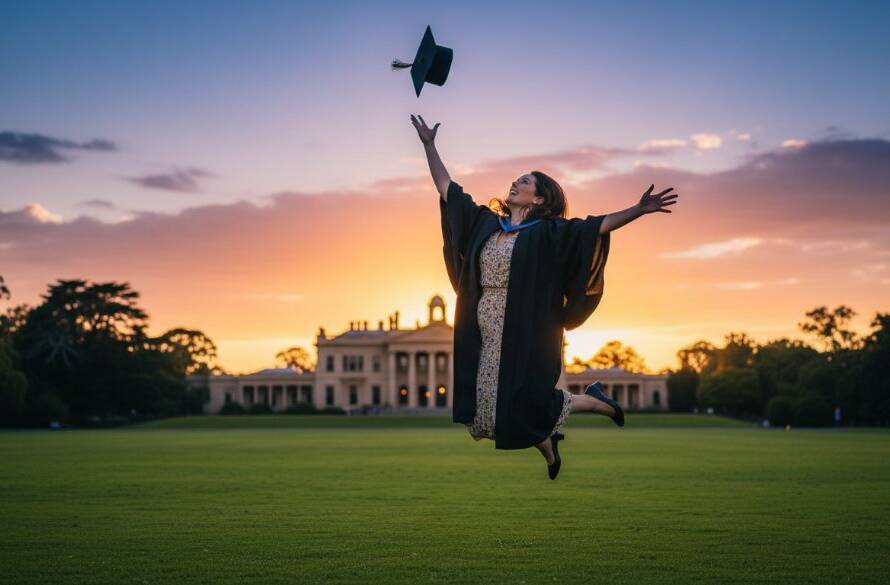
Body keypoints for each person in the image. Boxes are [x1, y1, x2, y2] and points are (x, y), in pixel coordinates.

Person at [410, 114, 678, 479]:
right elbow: (447, 188)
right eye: (516, 179)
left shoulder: (549, 232)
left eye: (525, 181)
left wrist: (638, 210)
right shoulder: (487, 224)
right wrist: (430, 145)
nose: (515, 183)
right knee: (489, 415)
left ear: (539, 197)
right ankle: (551, 446)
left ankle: (592, 404)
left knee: (527, 401)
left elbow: (593, 228)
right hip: (485, 325)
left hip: (529, 325)